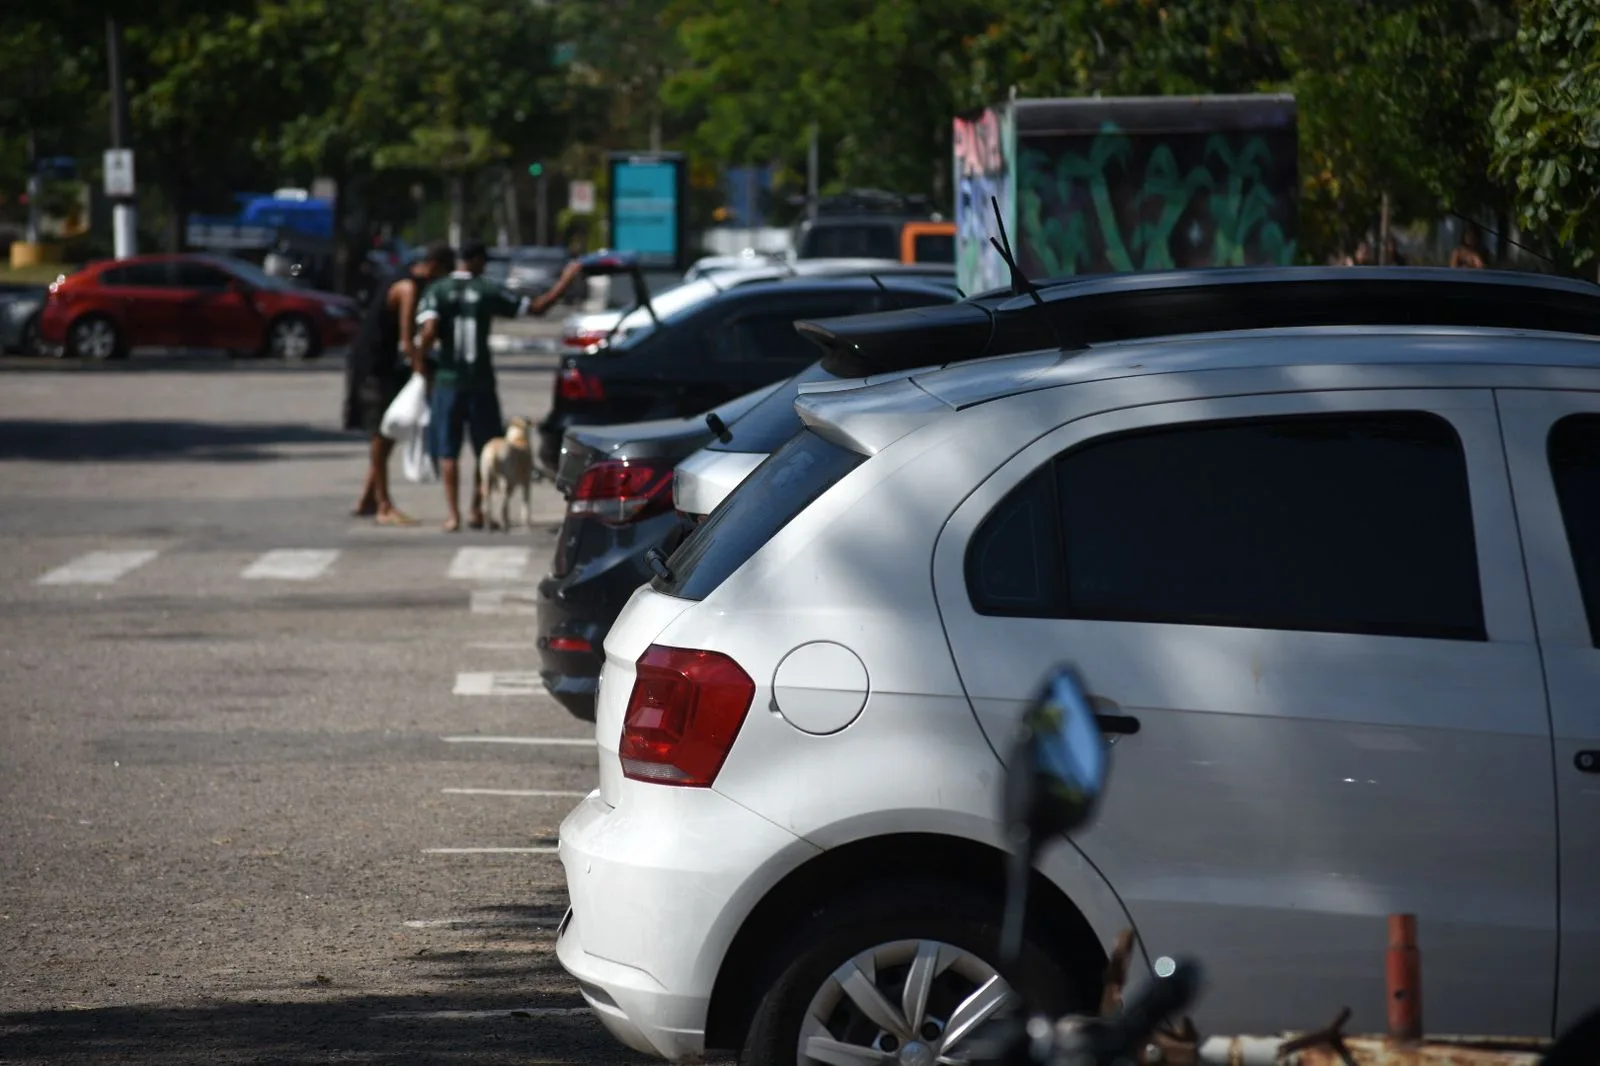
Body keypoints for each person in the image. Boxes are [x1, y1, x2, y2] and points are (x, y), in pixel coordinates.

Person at [415, 240, 584, 532]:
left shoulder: (437, 290)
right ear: (478, 260)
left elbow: (428, 330)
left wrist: (421, 360)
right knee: (486, 446)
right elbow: (537, 307)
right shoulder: (487, 289)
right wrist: (566, 280)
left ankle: (453, 514)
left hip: (448, 381)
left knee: (447, 450)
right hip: (479, 381)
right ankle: (477, 510)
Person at [344, 241, 457, 524]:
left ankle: (368, 498)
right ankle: (383, 505)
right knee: (382, 433)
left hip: (379, 365)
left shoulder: (407, 276)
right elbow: (407, 341)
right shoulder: (408, 288)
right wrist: (421, 372)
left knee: (387, 432)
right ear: (435, 267)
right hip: (374, 367)